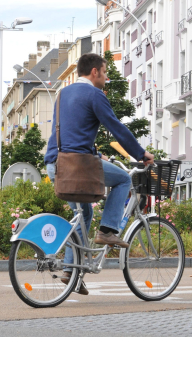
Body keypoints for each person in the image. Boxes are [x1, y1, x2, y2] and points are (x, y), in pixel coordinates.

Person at [44, 53, 154, 295]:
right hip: (77, 165)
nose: (106, 77)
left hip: (55, 163)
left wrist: (94, 151)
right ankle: (107, 231)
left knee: (82, 214)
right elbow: (116, 127)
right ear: (94, 72)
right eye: (105, 72)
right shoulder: (95, 94)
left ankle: (71, 273)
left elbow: (68, 131)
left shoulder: (63, 94)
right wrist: (140, 153)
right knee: (124, 179)